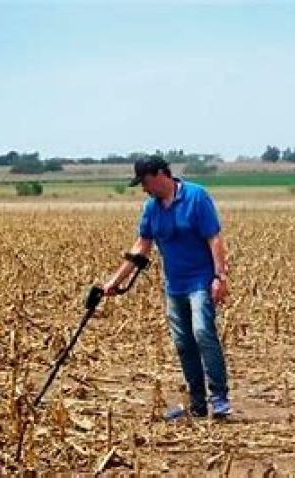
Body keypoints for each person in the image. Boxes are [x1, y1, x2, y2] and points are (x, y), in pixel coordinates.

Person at [103, 155, 232, 419]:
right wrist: (115, 282)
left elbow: (214, 238)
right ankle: (197, 404)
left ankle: (219, 398)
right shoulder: (152, 209)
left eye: (145, 182)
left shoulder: (196, 197)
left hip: (200, 280)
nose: (144, 189)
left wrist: (220, 277)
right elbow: (142, 246)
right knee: (183, 342)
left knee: (202, 332)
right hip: (175, 285)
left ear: (161, 174)